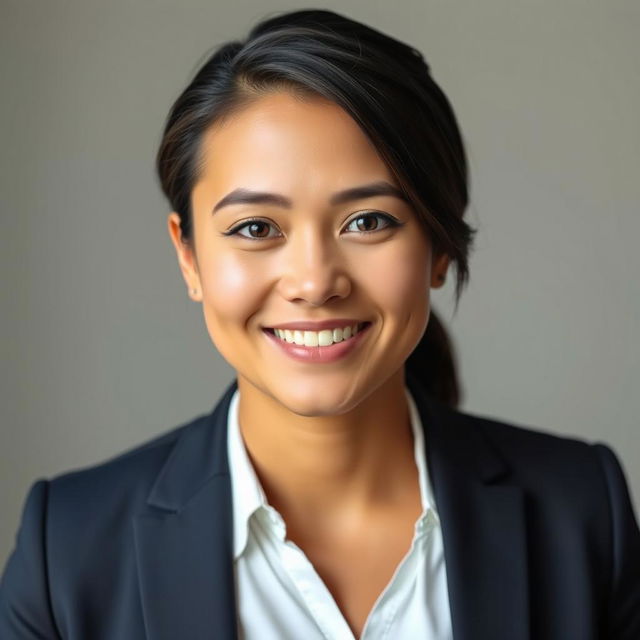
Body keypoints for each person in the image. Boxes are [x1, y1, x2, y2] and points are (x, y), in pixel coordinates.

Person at [1, 8, 639, 639]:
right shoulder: (67, 553)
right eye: (256, 229)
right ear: (188, 256)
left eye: (368, 221)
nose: (314, 281)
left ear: (440, 248)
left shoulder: (583, 514)